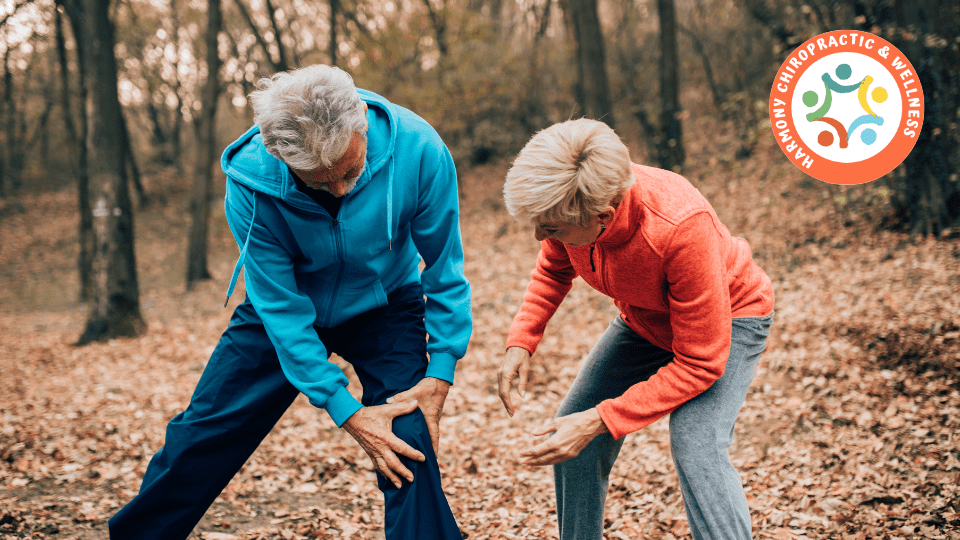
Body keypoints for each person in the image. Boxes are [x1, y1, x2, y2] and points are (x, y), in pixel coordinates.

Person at [109, 65, 471, 540]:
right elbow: (280, 309)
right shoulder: (250, 182)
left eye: (349, 171)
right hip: (285, 305)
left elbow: (444, 267)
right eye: (319, 183)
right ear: (279, 156)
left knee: (407, 433)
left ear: (361, 120)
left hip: (386, 300)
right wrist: (345, 408)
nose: (340, 190)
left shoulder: (420, 150)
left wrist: (441, 366)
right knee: (203, 433)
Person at [497, 119, 774, 540]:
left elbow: (700, 363)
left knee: (696, 444)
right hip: (645, 320)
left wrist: (602, 419)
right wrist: (522, 341)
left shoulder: (679, 227)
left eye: (549, 228)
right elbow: (555, 268)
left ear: (603, 217)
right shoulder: (569, 205)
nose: (540, 235)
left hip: (730, 318)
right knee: (571, 429)